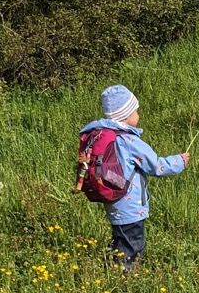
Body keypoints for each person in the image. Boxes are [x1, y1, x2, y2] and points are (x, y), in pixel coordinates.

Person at [78, 84, 188, 272]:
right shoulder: (130, 142)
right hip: (130, 206)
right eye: (135, 111)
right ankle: (124, 278)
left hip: (113, 201)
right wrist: (180, 161)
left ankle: (110, 269)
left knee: (120, 240)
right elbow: (156, 166)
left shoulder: (104, 135)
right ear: (126, 115)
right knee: (132, 246)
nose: (138, 115)